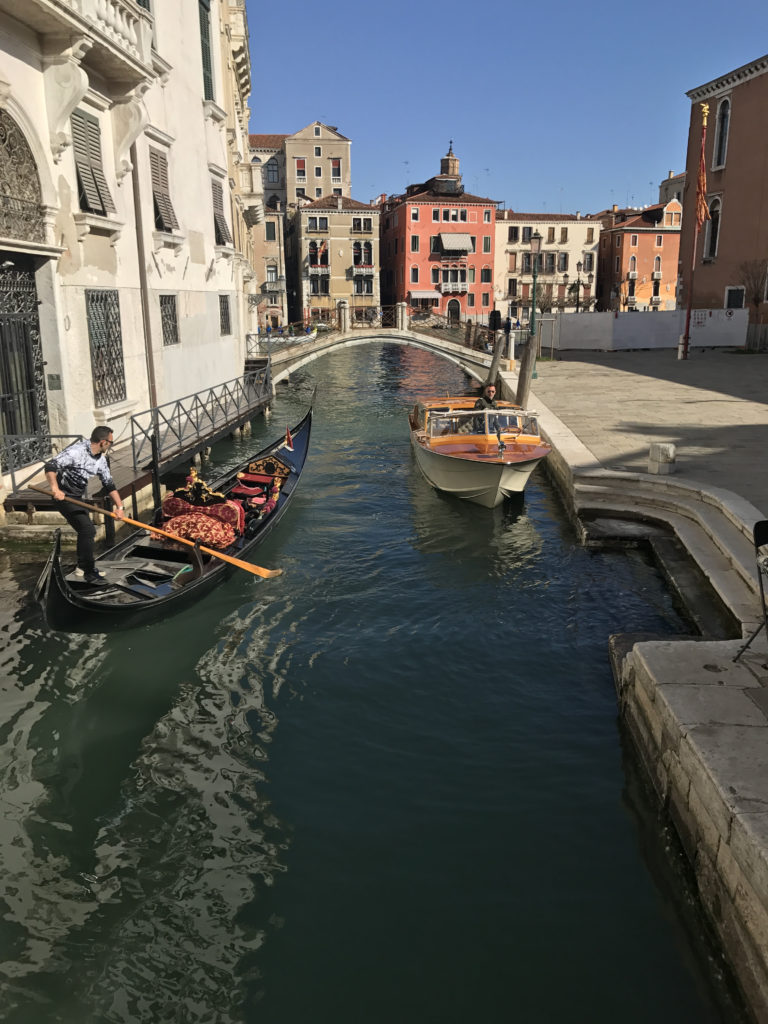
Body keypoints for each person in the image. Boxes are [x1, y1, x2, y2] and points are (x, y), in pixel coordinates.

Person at [44, 426, 125, 584]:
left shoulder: (100, 459)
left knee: (86, 531)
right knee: (87, 529)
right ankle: (88, 570)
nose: (111, 445)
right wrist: (55, 488)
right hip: (63, 497)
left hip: (77, 497)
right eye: (111, 442)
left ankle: (82, 567)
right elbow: (50, 466)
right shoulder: (76, 451)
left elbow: (109, 485)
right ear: (103, 442)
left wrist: (120, 507)